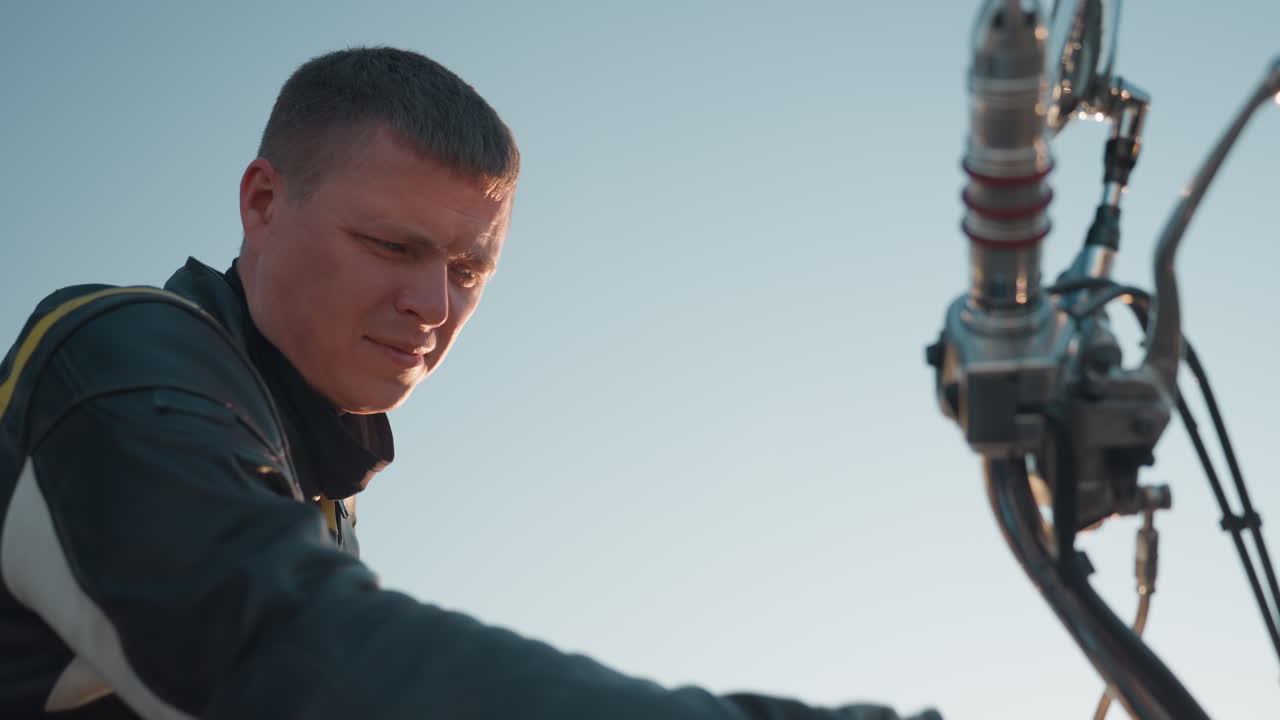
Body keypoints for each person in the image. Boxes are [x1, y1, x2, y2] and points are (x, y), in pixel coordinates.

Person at [0, 47, 941, 719]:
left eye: (469, 270)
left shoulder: (314, 480)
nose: (432, 304)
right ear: (262, 202)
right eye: (390, 245)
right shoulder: (119, 356)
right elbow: (277, 645)